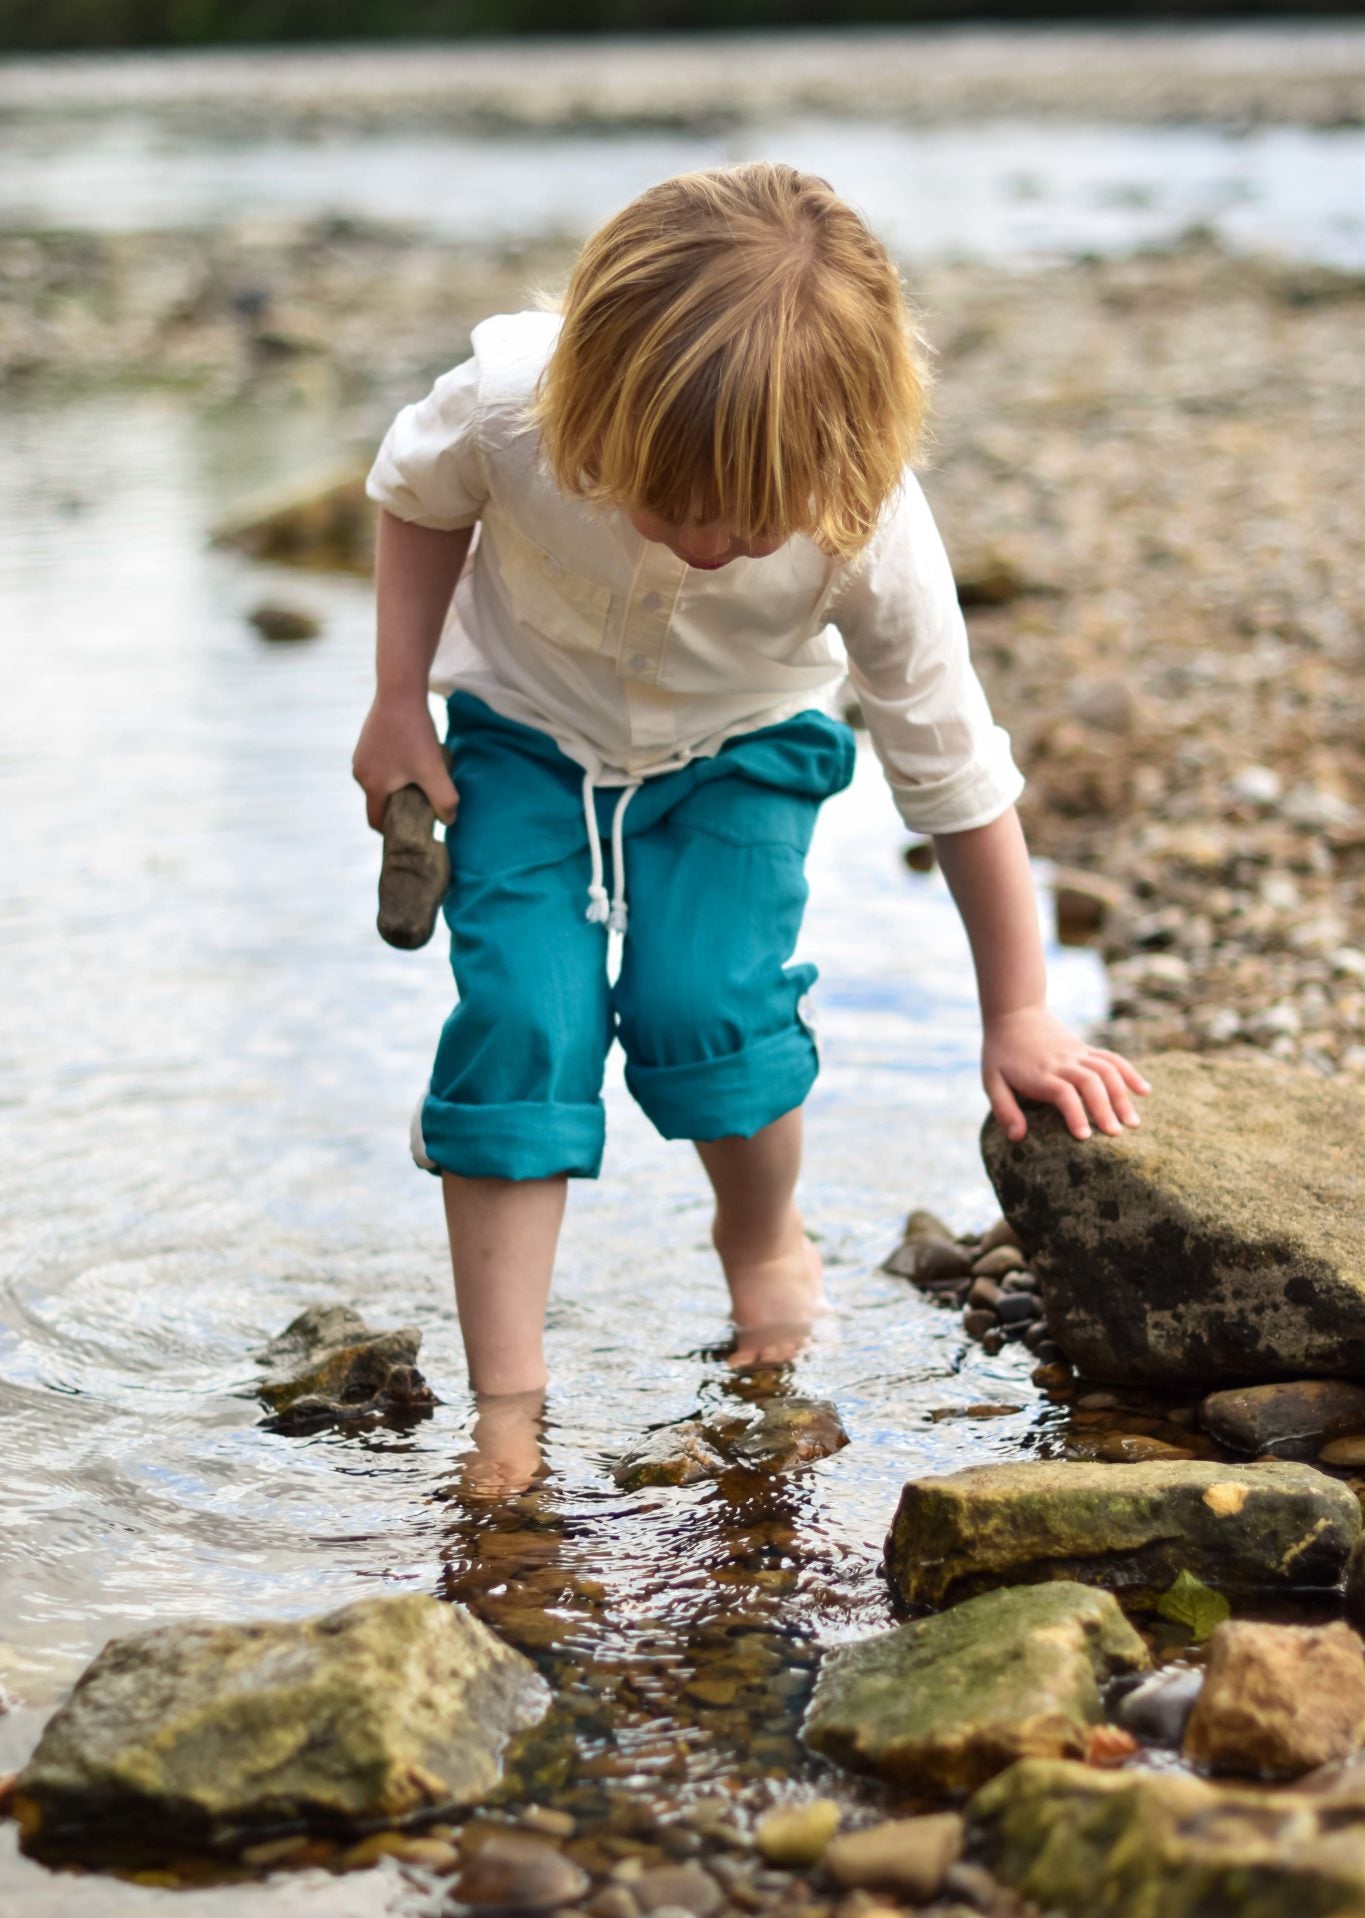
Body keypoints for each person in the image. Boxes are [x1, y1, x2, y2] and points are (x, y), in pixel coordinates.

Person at [352, 162, 1147, 1432]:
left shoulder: (865, 517)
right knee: (518, 1017)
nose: (706, 545)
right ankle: (508, 1408)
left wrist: (1022, 1009)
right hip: (521, 735)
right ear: (590, 408)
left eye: (750, 524)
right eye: (667, 506)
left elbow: (954, 769)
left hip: (744, 750)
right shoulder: (512, 406)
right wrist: (399, 697)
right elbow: (414, 498)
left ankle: (764, 1238)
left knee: (709, 1004)